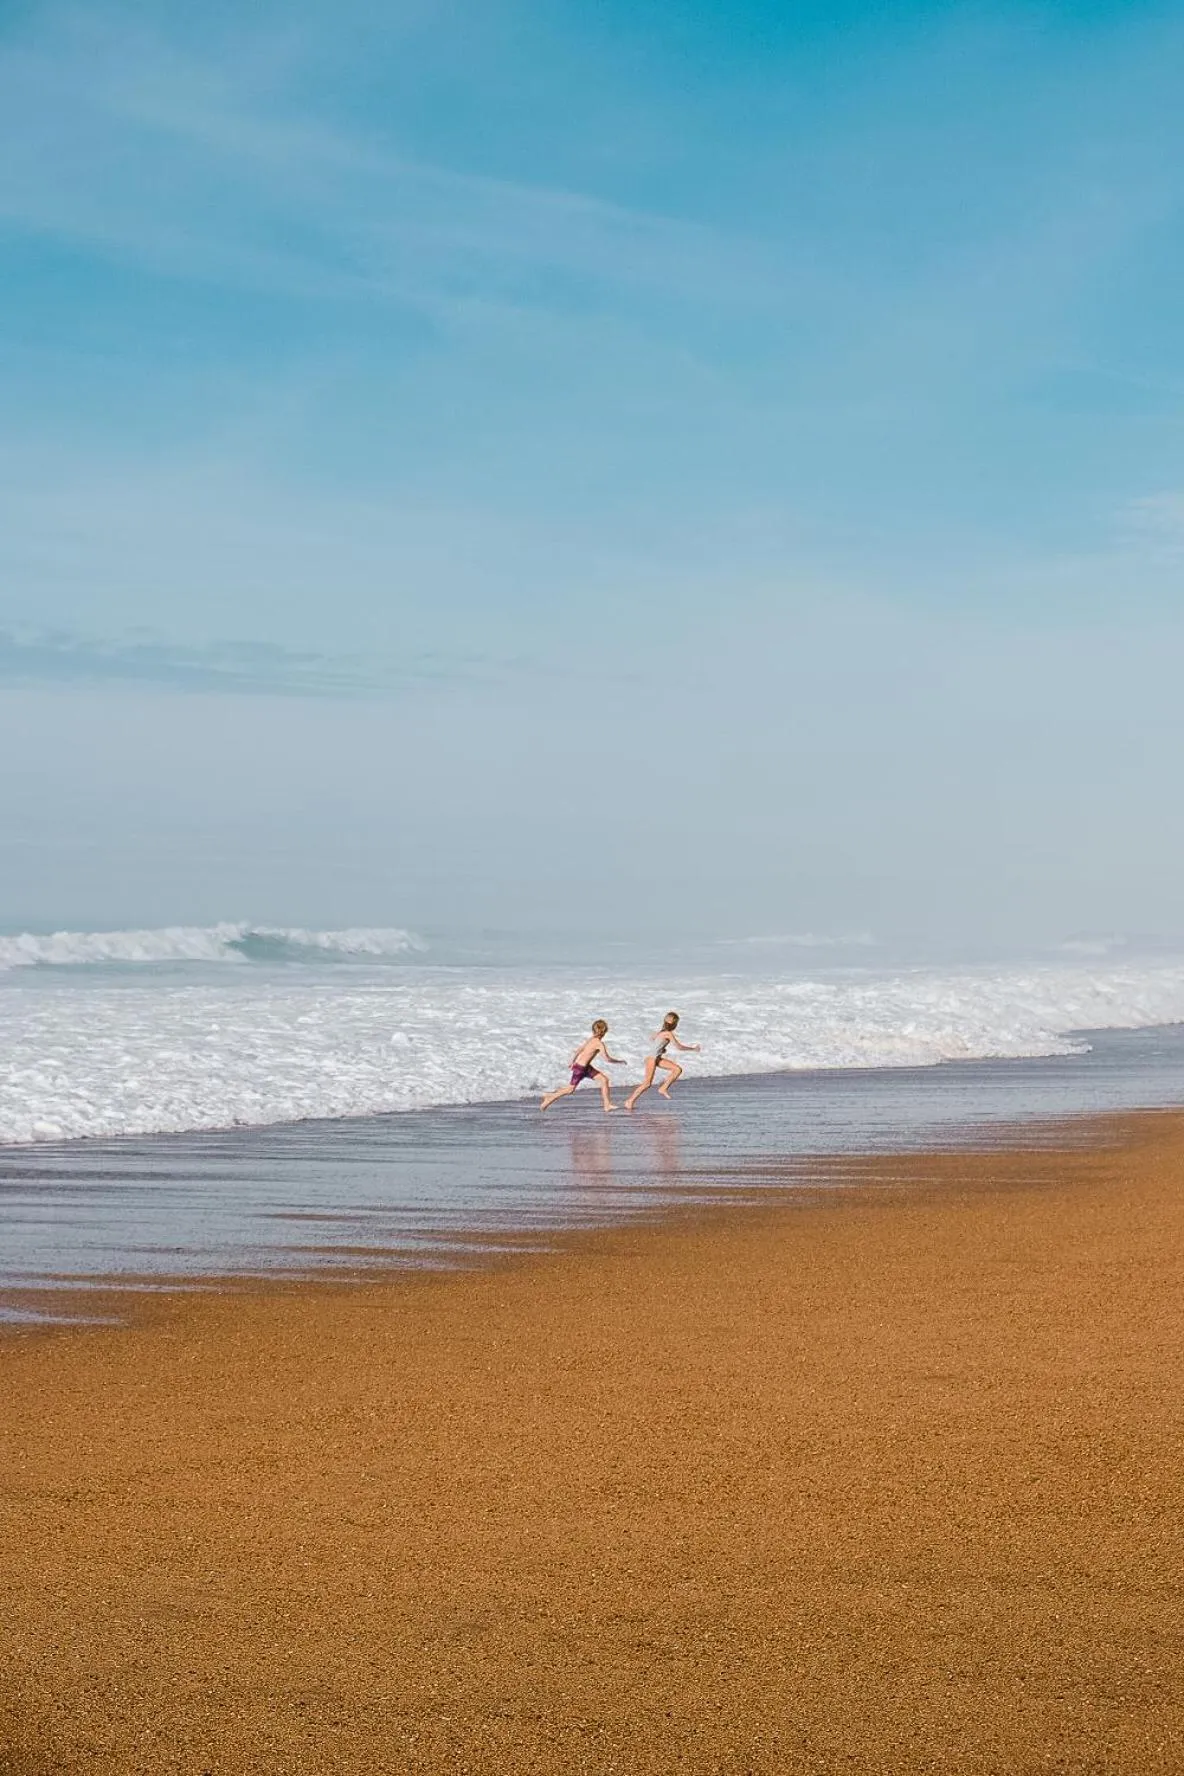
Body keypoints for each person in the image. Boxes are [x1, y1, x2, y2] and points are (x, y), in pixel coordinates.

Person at [540, 1019, 625, 1113]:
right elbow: (607, 1059)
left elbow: (579, 1050)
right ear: (604, 1032)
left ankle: (607, 1105)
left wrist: (572, 1061)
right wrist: (619, 1061)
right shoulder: (599, 1044)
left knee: (604, 1080)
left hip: (585, 1067)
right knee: (570, 1089)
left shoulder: (591, 1039)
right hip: (580, 1068)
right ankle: (550, 1097)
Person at [624, 1011, 700, 1111]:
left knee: (677, 1069)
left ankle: (663, 1088)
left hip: (656, 1058)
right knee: (647, 1083)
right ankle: (630, 1101)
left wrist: (661, 1049)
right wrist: (693, 1049)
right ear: (674, 1024)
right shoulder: (668, 1034)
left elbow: (653, 1040)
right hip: (652, 1059)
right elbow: (679, 1047)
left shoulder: (660, 1033)